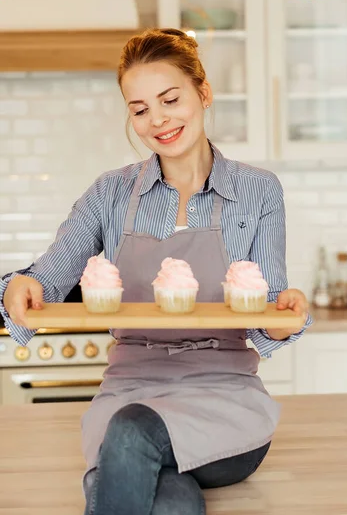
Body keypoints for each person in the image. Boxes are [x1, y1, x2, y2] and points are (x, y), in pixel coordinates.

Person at [1, 28, 312, 515]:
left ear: (203, 93)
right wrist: (22, 287)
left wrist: (282, 313)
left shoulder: (259, 191)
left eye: (170, 99)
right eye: (140, 109)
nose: (158, 120)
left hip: (224, 400)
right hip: (129, 387)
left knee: (127, 437)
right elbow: (48, 276)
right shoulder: (110, 194)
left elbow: (265, 309)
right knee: (169, 502)